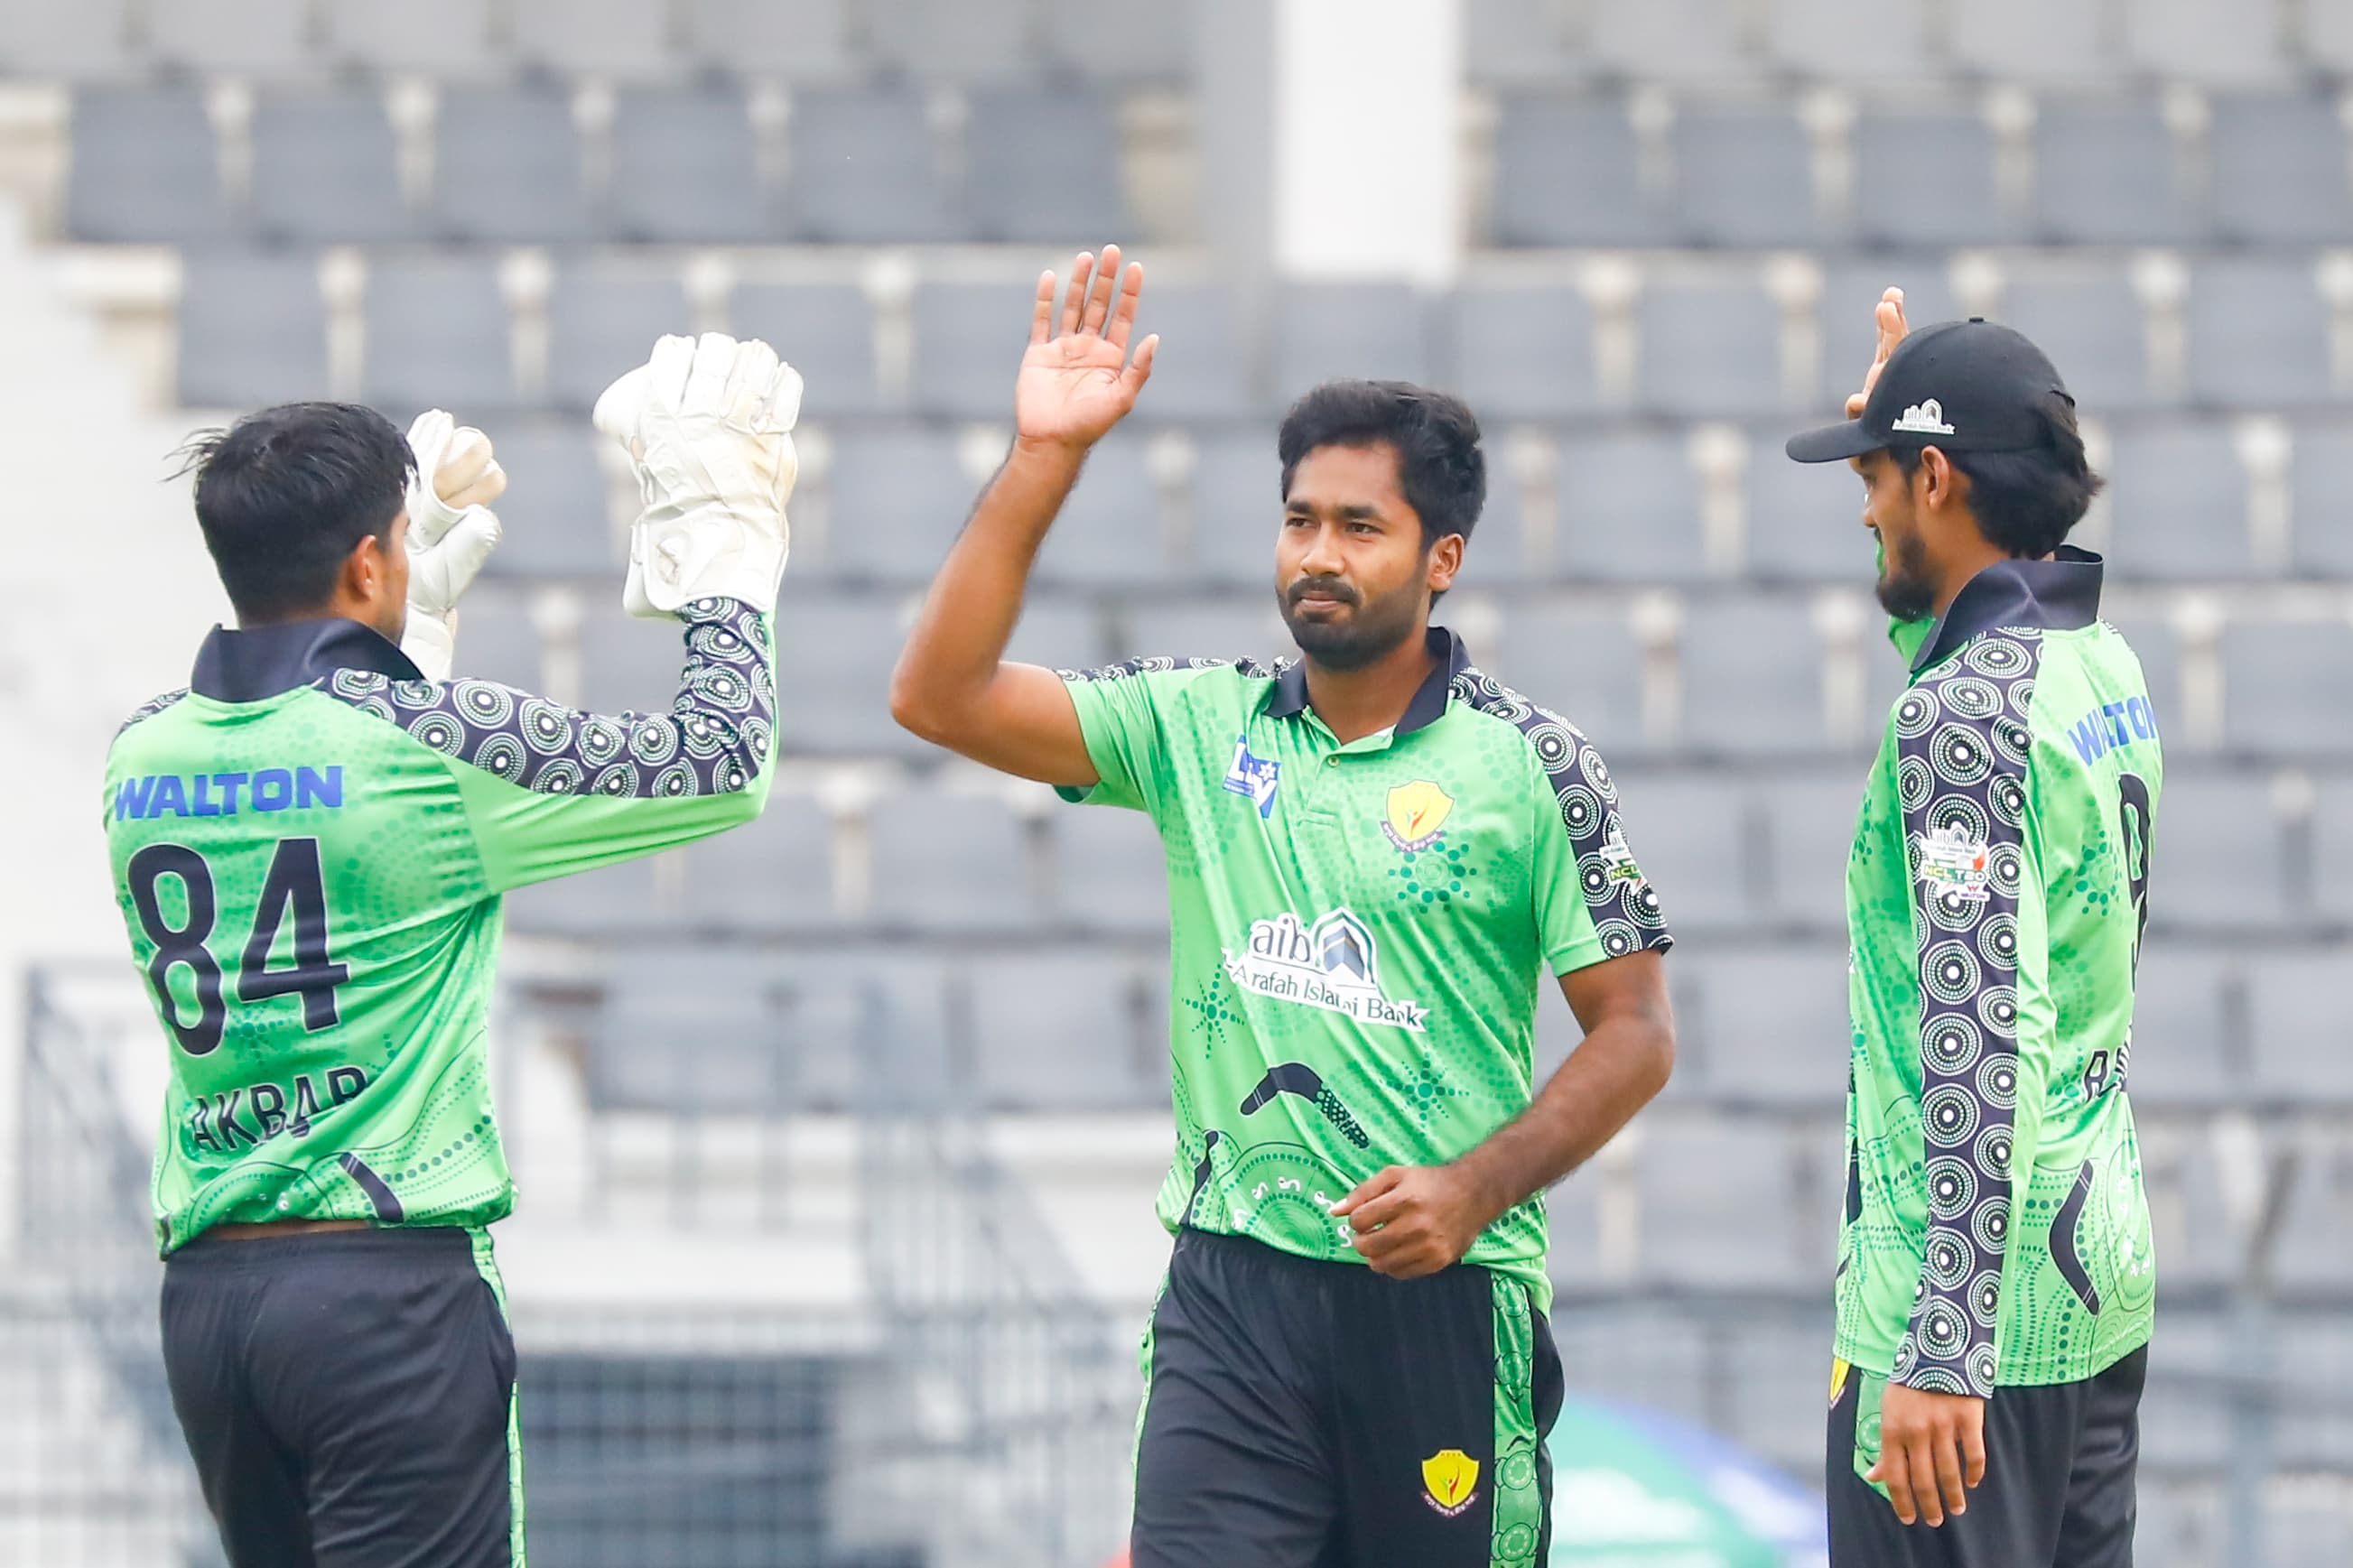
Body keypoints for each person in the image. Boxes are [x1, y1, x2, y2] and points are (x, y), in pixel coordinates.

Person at [889, 246, 1679, 1568]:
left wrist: (1471, 1192)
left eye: (1357, 527)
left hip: (1438, 1295)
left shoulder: (1530, 764)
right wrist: (1045, 457)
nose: (1317, 553)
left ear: (1443, 559)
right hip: (1229, 1292)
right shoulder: (1199, 725)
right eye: (1299, 518)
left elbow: (1637, 1031)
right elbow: (939, 695)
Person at [101, 332, 801, 1568]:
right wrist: (722, 544)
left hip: (211, 1303)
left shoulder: (141, 752)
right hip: (384, 1290)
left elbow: (320, 779)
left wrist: (403, 630)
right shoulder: (423, 742)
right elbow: (718, 760)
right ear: (371, 557)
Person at [1787, 292, 2157, 1566]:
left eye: (1881, 476)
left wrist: (1941, 1338)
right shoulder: (2094, 659)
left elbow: (1979, 1031)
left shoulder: (1954, 721)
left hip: (1959, 1325)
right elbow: (1952, 647)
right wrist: (1903, 428)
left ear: (1937, 475)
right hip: (2090, 1271)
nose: (1865, 504)